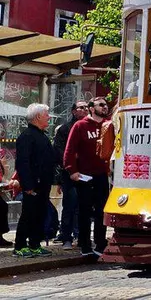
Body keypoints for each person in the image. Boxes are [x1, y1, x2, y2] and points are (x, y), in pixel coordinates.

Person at [63, 97, 111, 257]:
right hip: (84, 176)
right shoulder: (80, 126)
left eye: (106, 105)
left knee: (101, 211)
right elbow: (69, 150)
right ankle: (85, 245)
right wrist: (72, 171)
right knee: (84, 211)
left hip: (102, 175)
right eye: (101, 105)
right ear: (91, 108)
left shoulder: (108, 125)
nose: (105, 107)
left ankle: (100, 243)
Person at [13, 103, 56, 258]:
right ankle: (19, 245)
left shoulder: (42, 135)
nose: (49, 117)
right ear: (38, 116)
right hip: (33, 185)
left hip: (43, 184)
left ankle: (34, 244)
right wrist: (28, 185)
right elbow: (22, 163)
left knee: (40, 214)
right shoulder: (27, 136)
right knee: (28, 215)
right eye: (46, 114)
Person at [53, 100, 89, 249]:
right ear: (74, 111)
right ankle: (66, 237)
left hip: (88, 174)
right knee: (69, 205)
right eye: (81, 107)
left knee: (85, 207)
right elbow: (59, 152)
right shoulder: (65, 129)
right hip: (70, 174)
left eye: (86, 107)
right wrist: (70, 169)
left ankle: (82, 237)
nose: (85, 109)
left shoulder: (91, 127)